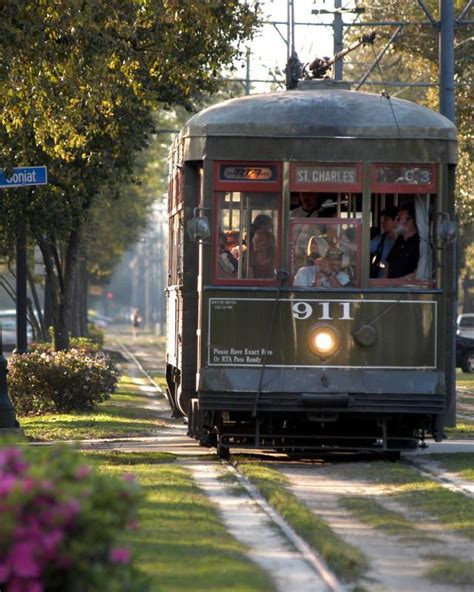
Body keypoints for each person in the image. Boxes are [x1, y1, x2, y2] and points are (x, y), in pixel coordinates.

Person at [385, 207, 420, 280]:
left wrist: (395, 283)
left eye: (398, 219)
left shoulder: (419, 243)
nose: (395, 222)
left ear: (410, 220)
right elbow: (388, 263)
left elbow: (419, 273)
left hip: (407, 289)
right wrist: (384, 282)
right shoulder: (400, 239)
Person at [370, 207, 398, 278]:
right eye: (382, 220)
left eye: (386, 219)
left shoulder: (404, 241)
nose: (382, 223)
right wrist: (382, 265)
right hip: (380, 280)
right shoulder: (380, 239)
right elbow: (364, 249)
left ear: (395, 220)